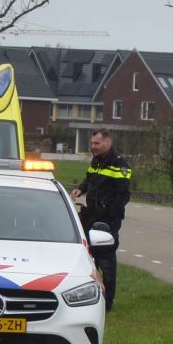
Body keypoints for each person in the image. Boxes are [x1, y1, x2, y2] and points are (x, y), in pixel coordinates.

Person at [72, 128, 132, 310]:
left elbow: (123, 195)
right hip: (91, 216)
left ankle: (107, 302)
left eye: (97, 143)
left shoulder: (120, 164)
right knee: (91, 259)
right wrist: (80, 189)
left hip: (107, 221)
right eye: (92, 143)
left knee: (106, 262)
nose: (93, 146)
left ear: (108, 142)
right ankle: (92, 298)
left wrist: (110, 219)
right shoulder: (96, 161)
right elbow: (90, 179)